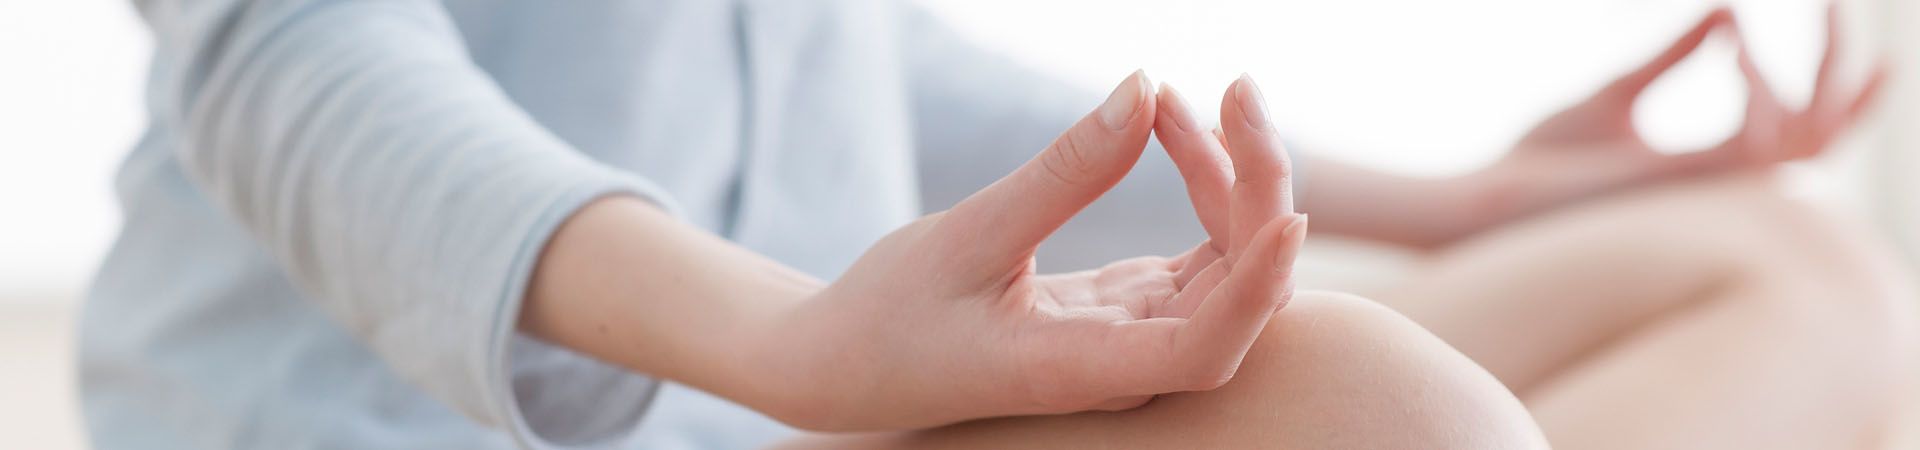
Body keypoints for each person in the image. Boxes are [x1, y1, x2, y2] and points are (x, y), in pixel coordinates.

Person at [83, 0, 1911, 449]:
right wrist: (785, 347)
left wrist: (1473, 196)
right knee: (1382, 410)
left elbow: (853, 63)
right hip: (418, 406)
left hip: (798, 371)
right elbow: (287, 51)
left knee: (1803, 272)